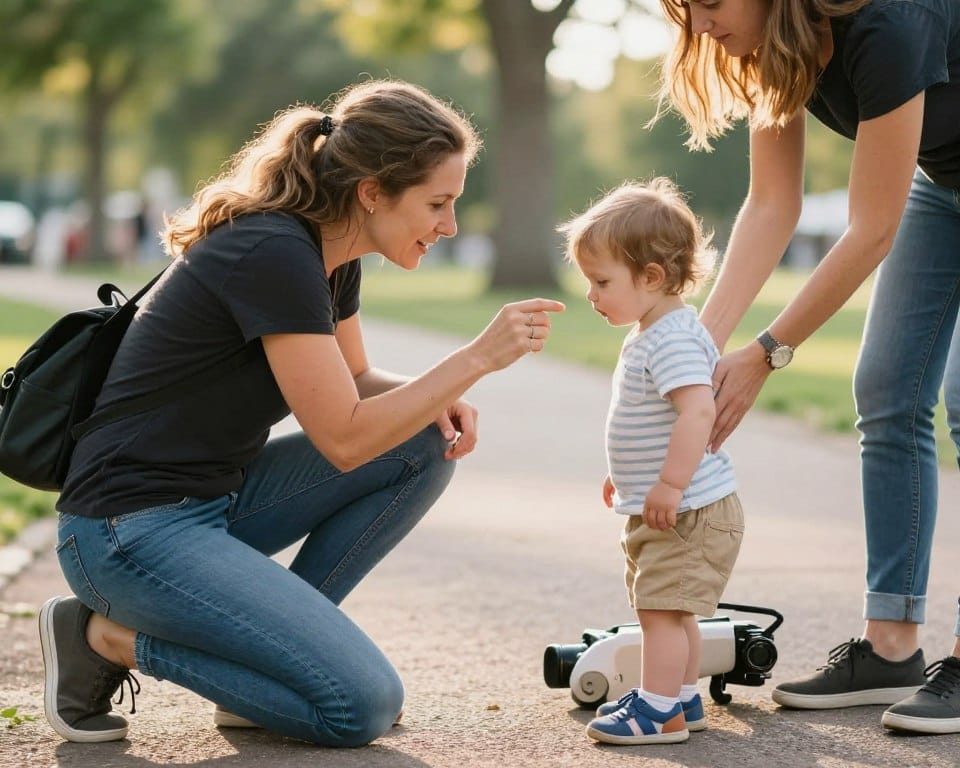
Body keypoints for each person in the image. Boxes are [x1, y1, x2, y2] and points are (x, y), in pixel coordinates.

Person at [37, 79, 565, 747]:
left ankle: (276, 670)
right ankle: (104, 639)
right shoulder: (273, 252)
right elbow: (343, 439)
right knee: (361, 707)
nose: (450, 226)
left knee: (421, 442)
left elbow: (358, 380)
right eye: (437, 203)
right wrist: (472, 360)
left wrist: (438, 392)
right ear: (372, 192)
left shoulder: (330, 257)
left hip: (211, 505)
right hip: (126, 531)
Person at [654, 0, 960, 735]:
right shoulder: (771, 45)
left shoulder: (887, 22)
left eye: (710, 3)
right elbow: (771, 204)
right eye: (683, 8)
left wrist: (764, 355)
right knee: (886, 390)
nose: (698, 26)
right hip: (944, 186)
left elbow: (871, 228)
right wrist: (695, 351)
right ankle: (891, 645)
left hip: (915, 199)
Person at [559, 178, 744, 745]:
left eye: (602, 281)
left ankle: (657, 710)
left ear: (653, 277)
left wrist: (667, 483)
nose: (591, 294)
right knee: (674, 609)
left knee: (660, 612)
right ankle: (682, 698)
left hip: (688, 508)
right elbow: (649, 421)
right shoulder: (653, 330)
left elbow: (696, 413)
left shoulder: (671, 340)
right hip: (675, 504)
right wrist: (630, 475)